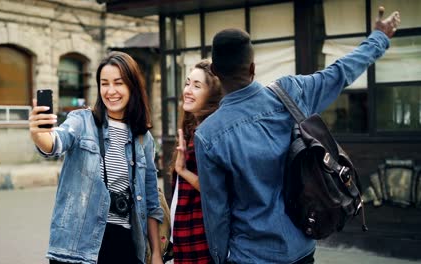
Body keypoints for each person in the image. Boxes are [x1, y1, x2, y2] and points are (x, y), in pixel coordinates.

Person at [194, 6, 400, 264]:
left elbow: (216, 212)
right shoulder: (290, 92)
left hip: (249, 255)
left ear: (214, 70)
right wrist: (379, 37)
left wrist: (219, 258)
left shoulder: (208, 135)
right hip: (302, 248)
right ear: (253, 67)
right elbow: (341, 72)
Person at [29, 51, 164, 264]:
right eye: (104, 84)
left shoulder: (143, 138)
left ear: (132, 86)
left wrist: (156, 253)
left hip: (124, 243)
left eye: (118, 83)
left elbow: (151, 201)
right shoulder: (82, 121)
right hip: (77, 247)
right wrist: (39, 134)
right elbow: (56, 142)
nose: (110, 91)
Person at [168, 60, 222, 264]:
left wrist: (182, 170)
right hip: (185, 236)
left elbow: (215, 188)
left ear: (212, 94)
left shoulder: (209, 133)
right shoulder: (194, 127)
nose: (187, 90)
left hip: (200, 237)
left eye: (197, 86)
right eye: (187, 83)